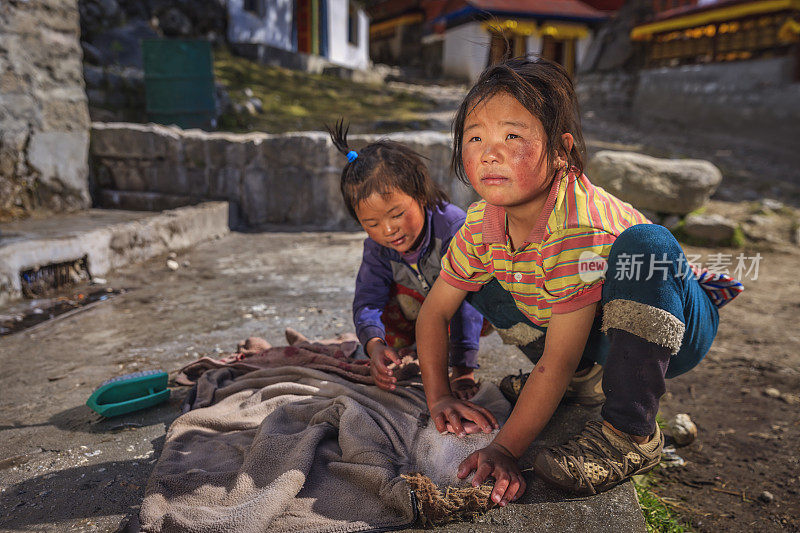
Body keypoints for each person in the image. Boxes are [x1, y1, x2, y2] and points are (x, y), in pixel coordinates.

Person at [415, 57, 743, 506]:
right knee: (478, 276)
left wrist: (505, 448)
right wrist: (438, 399)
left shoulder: (579, 228)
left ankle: (631, 431)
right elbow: (435, 311)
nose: (490, 152)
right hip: (597, 332)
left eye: (513, 136)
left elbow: (557, 359)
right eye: (475, 138)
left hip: (674, 323)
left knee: (647, 243)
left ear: (560, 150)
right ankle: (589, 380)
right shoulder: (480, 226)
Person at [327, 121, 486, 399]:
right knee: (380, 302)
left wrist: (463, 368)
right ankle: (406, 351)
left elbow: (467, 302)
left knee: (470, 296)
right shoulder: (378, 248)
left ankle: (457, 354)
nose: (388, 230)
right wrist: (374, 346)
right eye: (371, 222)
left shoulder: (454, 229)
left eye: (397, 214)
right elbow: (368, 300)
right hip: (417, 312)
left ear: (420, 195)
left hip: (464, 307)